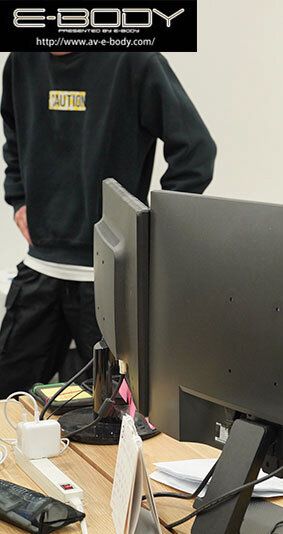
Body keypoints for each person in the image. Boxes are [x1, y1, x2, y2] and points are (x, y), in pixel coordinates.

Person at [0, 52, 216, 397]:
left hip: (109, 279)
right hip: (40, 268)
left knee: (113, 414)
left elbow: (195, 149)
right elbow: (13, 134)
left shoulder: (134, 60)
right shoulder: (21, 61)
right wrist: (18, 197)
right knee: (7, 401)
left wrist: (155, 225)